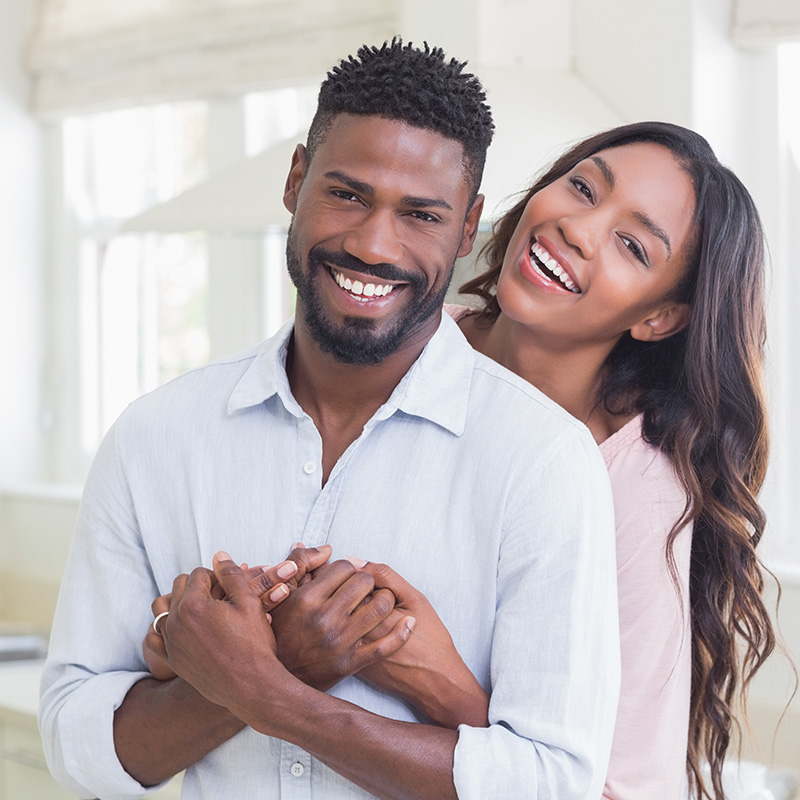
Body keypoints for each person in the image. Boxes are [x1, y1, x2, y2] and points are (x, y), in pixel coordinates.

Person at [39, 40, 621, 799]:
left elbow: (551, 781)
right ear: (294, 180)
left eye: (421, 214)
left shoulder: (542, 461)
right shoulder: (157, 437)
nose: (373, 244)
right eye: (347, 194)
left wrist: (266, 685)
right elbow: (77, 747)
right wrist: (290, 662)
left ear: (469, 224)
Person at [449, 121, 776, 799]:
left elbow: (621, 789)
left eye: (632, 245)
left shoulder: (635, 488)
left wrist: (432, 681)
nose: (578, 228)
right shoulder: (405, 343)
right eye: (581, 187)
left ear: (658, 318)